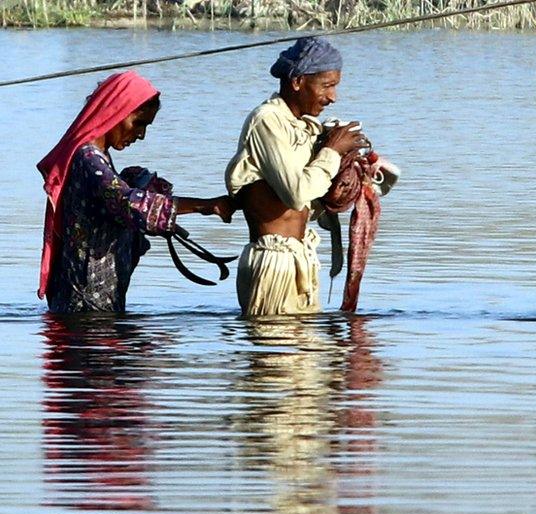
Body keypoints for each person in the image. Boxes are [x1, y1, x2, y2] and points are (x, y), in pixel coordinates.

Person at [38, 71, 235, 314]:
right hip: (84, 305)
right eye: (138, 123)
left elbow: (114, 202)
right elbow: (126, 203)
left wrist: (138, 183)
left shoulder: (98, 158)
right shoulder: (87, 158)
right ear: (115, 112)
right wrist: (204, 206)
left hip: (94, 302)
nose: (141, 134)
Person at [225, 36, 368, 316]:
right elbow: (296, 193)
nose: (332, 97)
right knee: (276, 356)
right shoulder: (267, 121)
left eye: (335, 86)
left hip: (302, 257)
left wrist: (351, 171)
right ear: (298, 81)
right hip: (273, 262)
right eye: (326, 86)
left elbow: (309, 202)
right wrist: (332, 152)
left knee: (305, 358)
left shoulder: (304, 127)